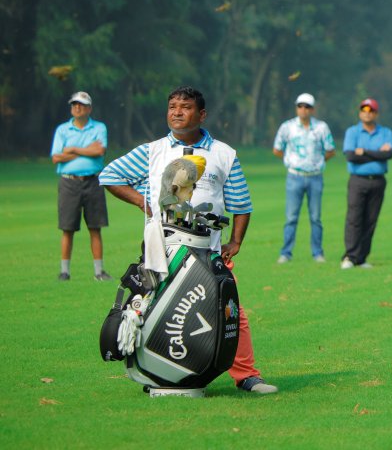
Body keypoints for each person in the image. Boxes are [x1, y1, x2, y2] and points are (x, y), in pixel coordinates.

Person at [99, 86, 277, 394]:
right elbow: (110, 177)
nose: (177, 112)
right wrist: (144, 203)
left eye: (185, 107)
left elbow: (241, 204)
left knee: (230, 310)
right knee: (156, 309)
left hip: (207, 250)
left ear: (201, 114)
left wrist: (235, 241)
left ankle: (246, 375)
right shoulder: (152, 151)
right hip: (163, 249)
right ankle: (158, 373)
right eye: (172, 107)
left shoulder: (223, 154)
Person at [50, 91, 111, 281]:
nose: (78, 107)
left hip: (92, 181)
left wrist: (73, 149)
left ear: (89, 108)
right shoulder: (62, 130)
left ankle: (99, 271)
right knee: (67, 228)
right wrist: (87, 151)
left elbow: (99, 151)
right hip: (69, 182)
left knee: (95, 227)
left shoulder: (99, 127)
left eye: (82, 105)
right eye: (75, 104)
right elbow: (56, 157)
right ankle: (64, 271)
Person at [273, 92, 336, 264]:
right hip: (295, 176)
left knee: (315, 218)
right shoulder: (287, 127)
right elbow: (277, 148)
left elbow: (331, 150)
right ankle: (286, 253)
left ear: (312, 109)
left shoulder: (321, 127)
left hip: (315, 177)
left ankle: (317, 253)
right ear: (296, 108)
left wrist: (319, 162)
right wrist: (289, 160)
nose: (303, 109)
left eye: (307, 106)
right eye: (300, 106)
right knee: (291, 217)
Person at [342, 98, 392, 269]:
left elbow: (388, 155)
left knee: (370, 220)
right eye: (364, 110)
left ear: (376, 114)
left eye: (370, 110)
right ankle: (350, 256)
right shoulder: (352, 132)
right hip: (358, 180)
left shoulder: (385, 132)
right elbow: (351, 156)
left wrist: (363, 151)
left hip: (378, 180)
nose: (367, 113)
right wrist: (377, 153)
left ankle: (362, 258)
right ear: (360, 113)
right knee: (354, 218)